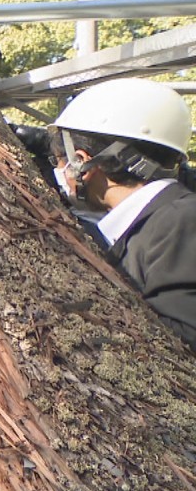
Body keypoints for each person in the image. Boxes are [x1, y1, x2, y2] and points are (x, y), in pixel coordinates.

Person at [47, 78, 196, 350]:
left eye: (59, 160)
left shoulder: (181, 222)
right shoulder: (154, 222)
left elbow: (184, 342)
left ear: (81, 162)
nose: (59, 172)